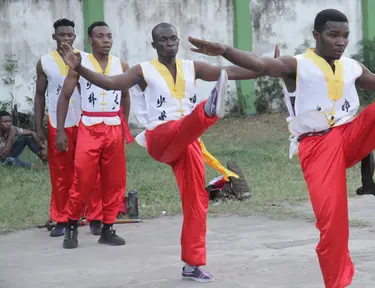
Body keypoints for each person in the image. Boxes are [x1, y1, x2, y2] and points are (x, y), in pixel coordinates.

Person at [59, 22, 265, 282]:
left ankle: (192, 264)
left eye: (174, 39)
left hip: (187, 141)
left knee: (197, 201)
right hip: (160, 139)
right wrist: (79, 68)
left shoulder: (193, 68)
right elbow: (111, 83)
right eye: (164, 40)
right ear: (154, 44)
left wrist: (263, 67)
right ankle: (207, 111)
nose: (170, 43)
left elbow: (233, 72)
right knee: (176, 126)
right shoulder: (142, 71)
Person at [189, 8, 375, 287]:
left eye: (345, 36)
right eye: (332, 34)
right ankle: (337, 283)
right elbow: (261, 65)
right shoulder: (296, 64)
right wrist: (225, 49)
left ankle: (368, 177)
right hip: (318, 147)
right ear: (316, 35)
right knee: (333, 225)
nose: (340, 41)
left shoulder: (352, 66)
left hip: (349, 134)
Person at [56, 21, 132, 249]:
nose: (106, 40)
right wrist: (60, 130)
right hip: (89, 126)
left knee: (115, 181)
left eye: (109, 35)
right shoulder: (80, 62)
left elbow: (126, 96)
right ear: (90, 40)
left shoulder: (121, 64)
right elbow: (65, 96)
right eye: (100, 36)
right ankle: (71, 227)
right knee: (83, 180)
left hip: (113, 128)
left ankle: (108, 228)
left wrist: (123, 125)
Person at [274, 44, 375, 197]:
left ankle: (367, 182)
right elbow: (265, 67)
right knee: (329, 202)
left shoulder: (342, 71)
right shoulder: (299, 76)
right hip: (317, 143)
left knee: (363, 128)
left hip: (341, 133)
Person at [34, 18, 102, 237]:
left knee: (90, 170)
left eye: (69, 35)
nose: (66, 39)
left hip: (85, 119)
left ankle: (95, 217)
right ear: (54, 37)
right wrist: (39, 128)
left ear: (75, 37)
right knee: (61, 172)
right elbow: (39, 95)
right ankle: (62, 218)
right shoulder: (44, 62)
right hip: (58, 122)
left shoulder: (85, 59)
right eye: (61, 35)